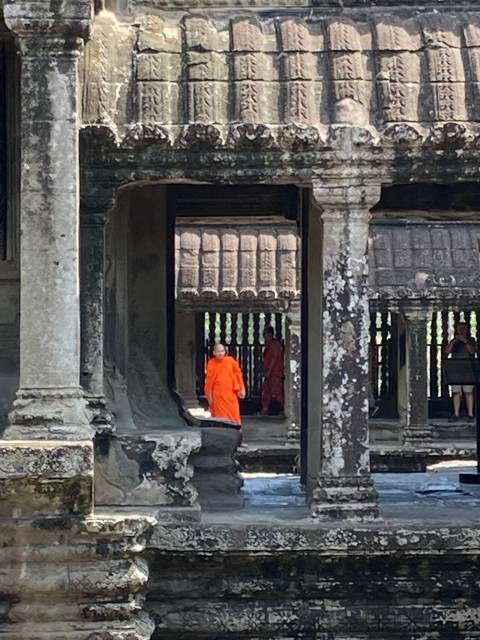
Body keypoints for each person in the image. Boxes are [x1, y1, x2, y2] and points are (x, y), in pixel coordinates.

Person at [204, 343, 246, 425]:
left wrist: (242, 388)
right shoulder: (211, 363)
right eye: (218, 351)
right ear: (214, 353)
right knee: (221, 418)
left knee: (234, 416)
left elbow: (238, 374)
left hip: (231, 395)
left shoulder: (230, 361)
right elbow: (209, 381)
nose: (221, 353)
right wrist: (209, 396)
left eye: (222, 351)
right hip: (218, 396)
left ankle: (236, 432)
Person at [445, 321, 477, 422]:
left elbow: (472, 351)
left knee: (468, 392)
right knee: (456, 392)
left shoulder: (471, 340)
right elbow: (446, 351)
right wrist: (454, 341)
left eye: (463, 328)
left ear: (467, 329)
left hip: (467, 369)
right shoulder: (454, 341)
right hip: (456, 370)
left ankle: (471, 414)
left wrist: (465, 341)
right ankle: (456, 414)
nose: (461, 330)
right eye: (459, 328)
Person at [261, 326, 284, 415]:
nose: (264, 337)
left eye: (265, 335)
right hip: (271, 372)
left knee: (276, 391)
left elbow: (274, 359)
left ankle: (282, 409)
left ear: (270, 335)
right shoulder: (269, 344)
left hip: (275, 372)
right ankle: (265, 409)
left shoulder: (274, 344)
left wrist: (268, 371)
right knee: (266, 390)